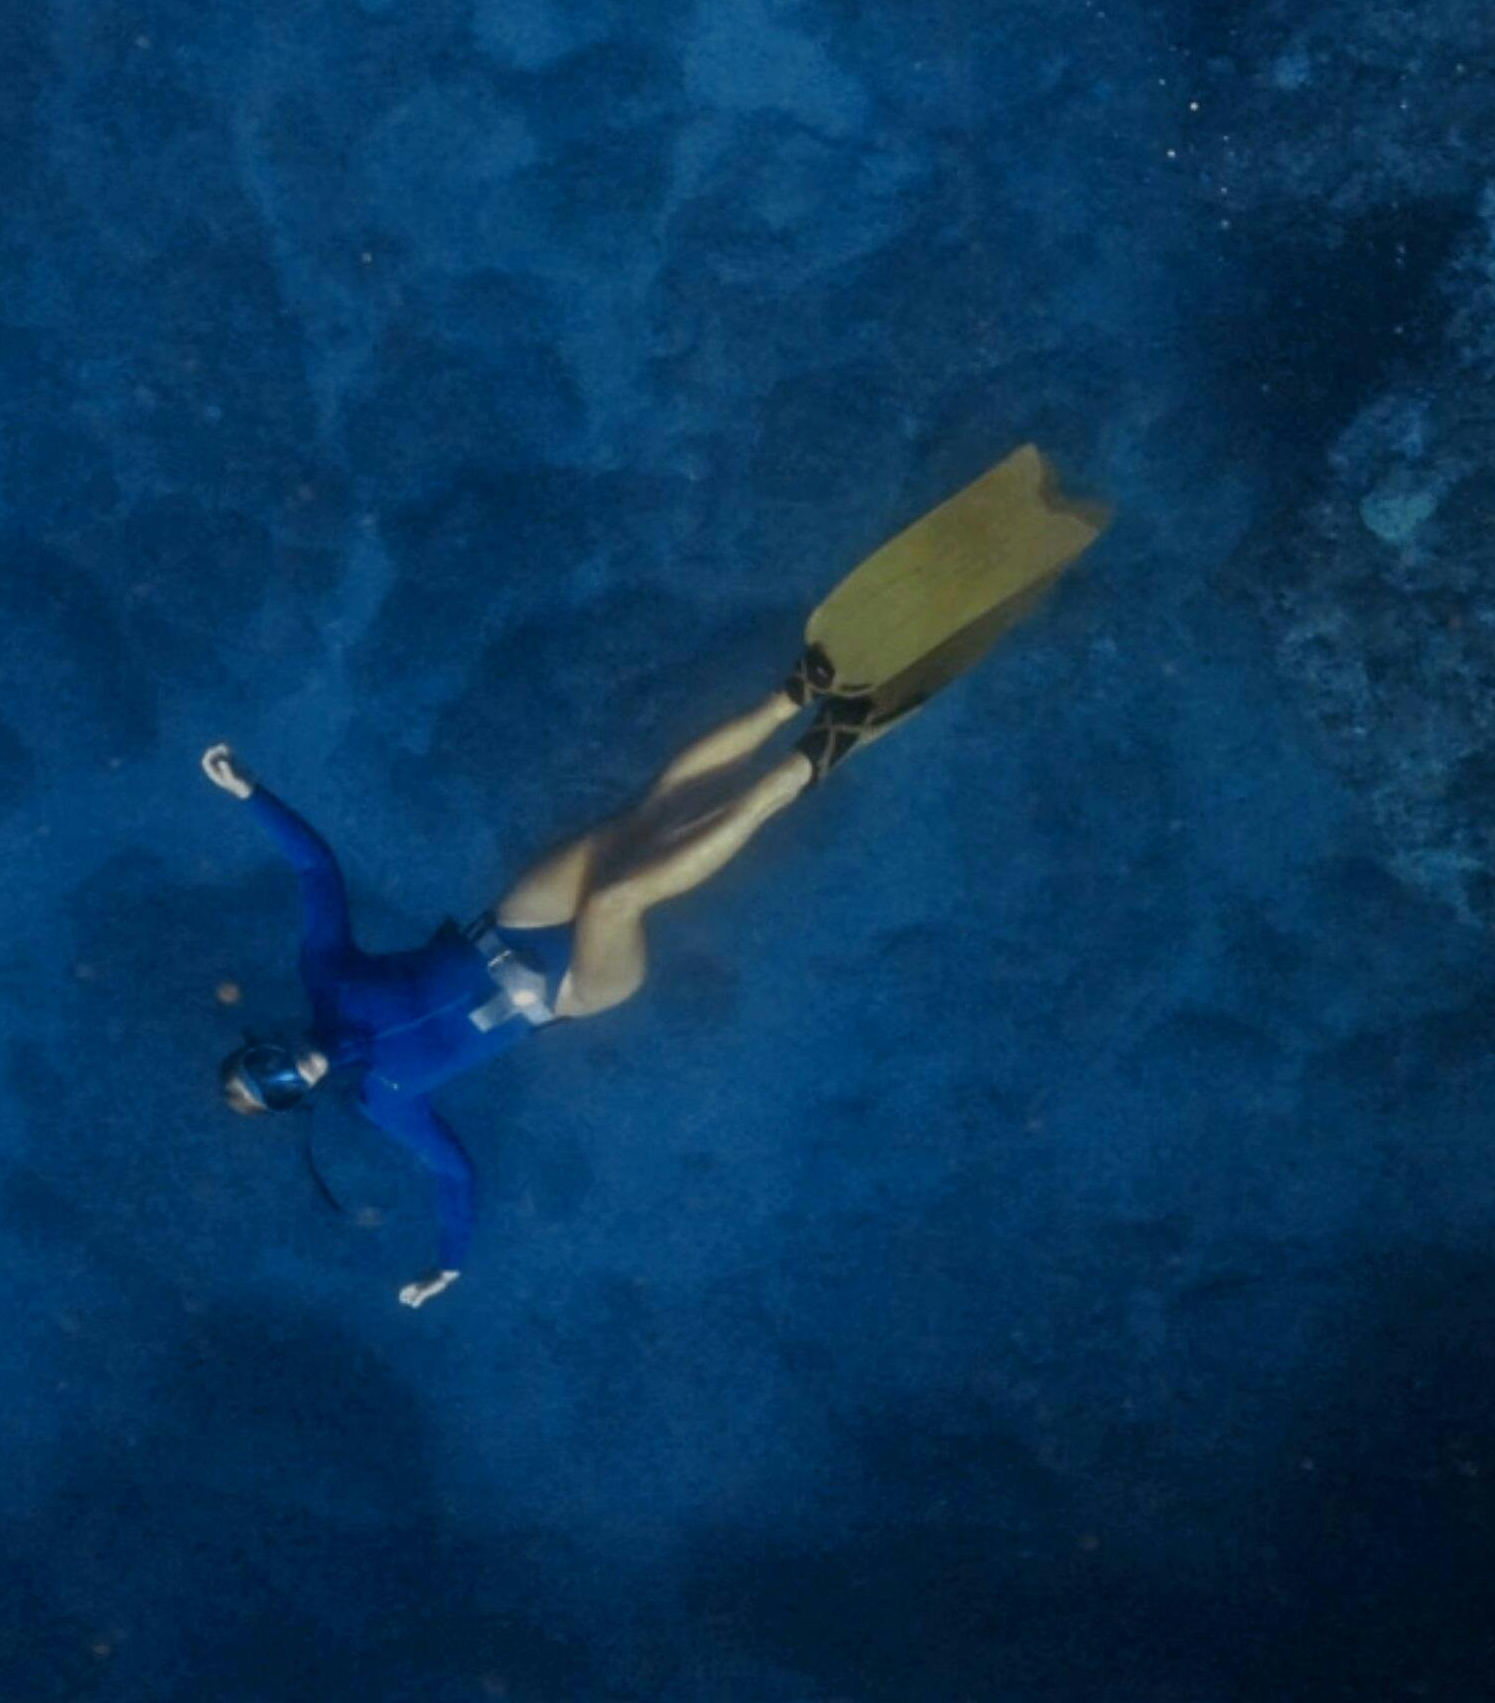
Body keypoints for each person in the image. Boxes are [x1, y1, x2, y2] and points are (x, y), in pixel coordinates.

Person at [206, 447, 1110, 1307]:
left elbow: (315, 869)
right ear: (299, 1104)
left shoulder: (327, 978)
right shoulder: (385, 1103)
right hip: (569, 993)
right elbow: (455, 1175)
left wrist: (252, 793)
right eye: (277, 1090)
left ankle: (797, 692)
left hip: (505, 930)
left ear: (263, 1040)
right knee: (621, 895)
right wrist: (448, 1263)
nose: (285, 1069)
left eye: (261, 1064)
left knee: (640, 820)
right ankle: (810, 761)